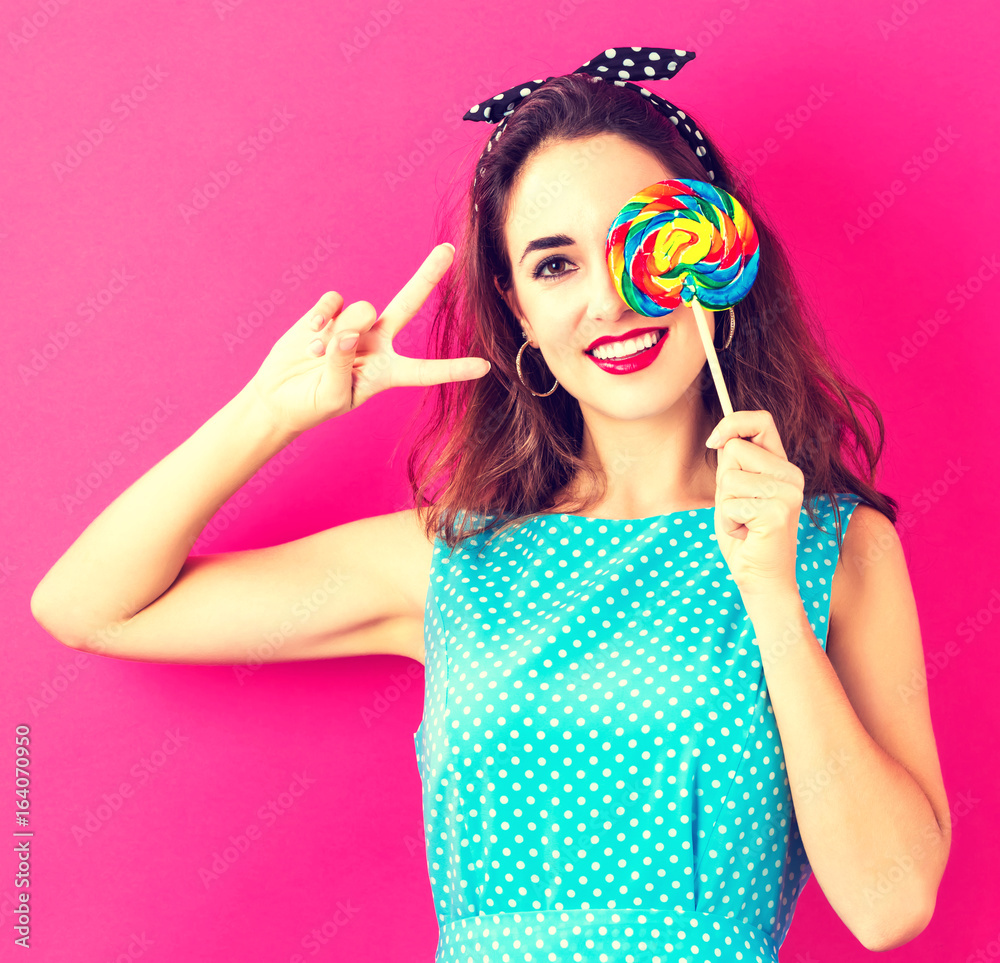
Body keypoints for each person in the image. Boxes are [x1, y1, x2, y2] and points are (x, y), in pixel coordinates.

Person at [31, 48, 949, 963]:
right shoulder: (449, 561)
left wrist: (774, 600)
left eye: (647, 240)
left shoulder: (835, 546)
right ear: (516, 309)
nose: (609, 299)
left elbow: (888, 903)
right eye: (556, 266)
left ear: (716, 254)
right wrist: (267, 415)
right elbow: (88, 606)